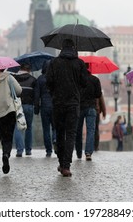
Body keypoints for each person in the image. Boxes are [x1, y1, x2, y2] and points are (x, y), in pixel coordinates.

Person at [46, 39, 87, 177]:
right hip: (73, 103)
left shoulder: (54, 62)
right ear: (74, 48)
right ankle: (66, 166)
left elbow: (49, 82)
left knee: (59, 134)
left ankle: (61, 163)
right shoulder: (79, 63)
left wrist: (54, 93)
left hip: (58, 103)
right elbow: (84, 83)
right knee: (70, 135)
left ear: (62, 48)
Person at [75, 65, 102, 161]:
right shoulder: (95, 80)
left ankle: (78, 152)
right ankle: (88, 153)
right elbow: (98, 94)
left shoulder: (77, 80)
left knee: (78, 130)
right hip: (91, 107)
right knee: (91, 130)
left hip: (79, 108)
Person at [12, 63, 37, 157]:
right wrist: (36, 105)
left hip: (17, 106)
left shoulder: (14, 79)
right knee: (29, 127)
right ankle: (28, 150)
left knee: (18, 127)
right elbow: (36, 95)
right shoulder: (33, 80)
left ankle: (19, 150)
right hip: (29, 106)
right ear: (29, 70)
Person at [34, 60, 56, 157]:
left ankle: (48, 150)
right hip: (55, 107)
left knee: (46, 129)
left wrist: (36, 108)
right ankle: (55, 139)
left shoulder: (40, 79)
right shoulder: (56, 78)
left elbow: (37, 95)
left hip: (44, 107)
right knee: (56, 127)